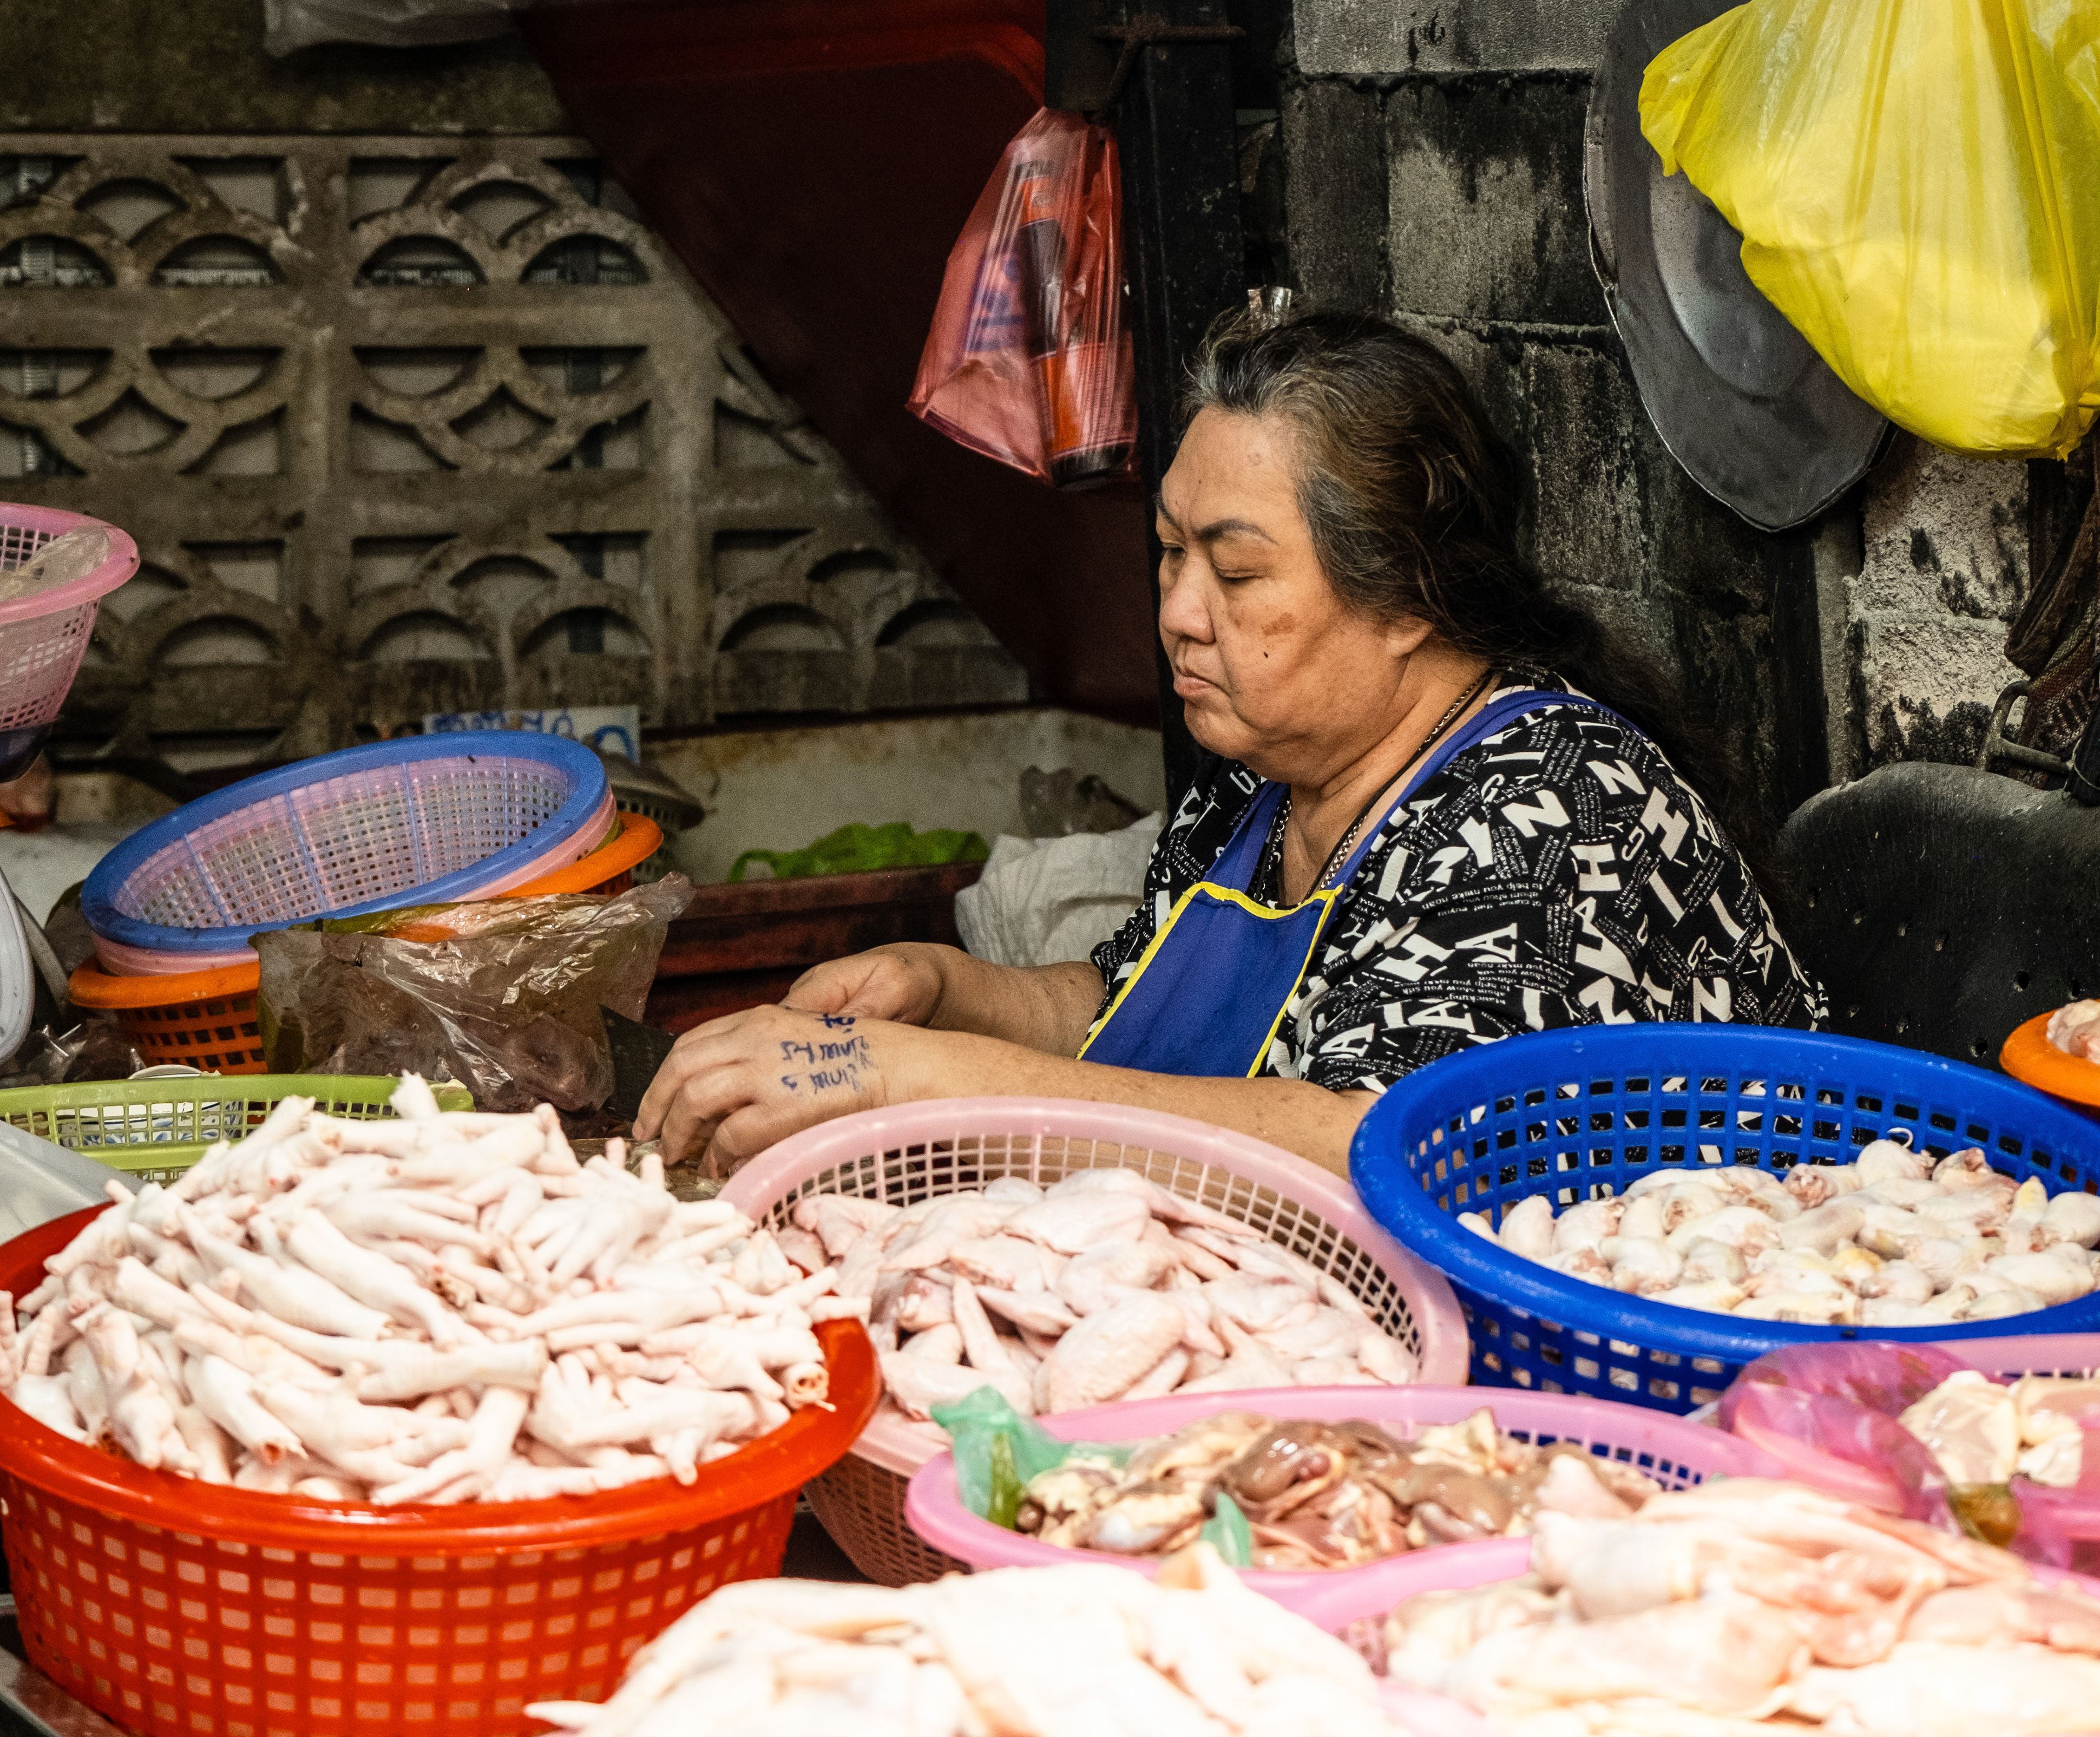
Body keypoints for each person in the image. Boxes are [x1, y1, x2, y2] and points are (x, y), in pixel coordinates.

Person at [637, 309, 1824, 1182]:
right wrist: (951, 997)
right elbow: (1140, 1007)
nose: (1179, 614)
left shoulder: (1551, 810)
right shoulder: (1265, 782)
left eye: (1239, 571)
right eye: (1170, 554)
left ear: (1410, 596)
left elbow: (1383, 1141)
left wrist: (923, 1081)